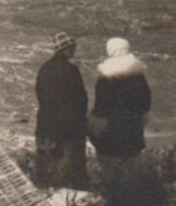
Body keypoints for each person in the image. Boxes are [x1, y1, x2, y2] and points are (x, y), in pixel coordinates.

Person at [89, 36, 152, 182]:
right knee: (131, 163)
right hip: (133, 124)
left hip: (112, 125)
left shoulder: (106, 76)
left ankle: (116, 191)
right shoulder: (138, 76)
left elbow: (101, 106)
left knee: (111, 165)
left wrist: (95, 126)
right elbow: (146, 102)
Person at [33, 32, 89, 188]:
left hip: (46, 125)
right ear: (66, 49)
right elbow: (81, 100)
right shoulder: (72, 70)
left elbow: (41, 96)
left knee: (45, 170)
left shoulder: (44, 69)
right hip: (70, 127)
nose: (75, 49)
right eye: (73, 47)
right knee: (72, 172)